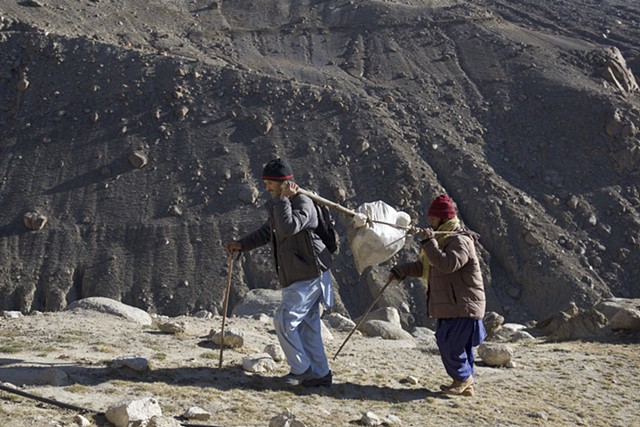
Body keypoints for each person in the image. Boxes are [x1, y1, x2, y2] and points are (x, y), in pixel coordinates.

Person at [225, 158, 334, 388]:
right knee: (307, 325)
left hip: (310, 274)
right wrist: (241, 244)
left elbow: (286, 229)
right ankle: (320, 374)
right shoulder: (282, 203)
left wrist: (283, 201)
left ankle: (301, 369)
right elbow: (269, 232)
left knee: (284, 320)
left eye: (270, 183)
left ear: (284, 184)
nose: (266, 188)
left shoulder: (303, 203)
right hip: (301, 273)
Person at [389, 194, 486, 396]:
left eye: (433, 218)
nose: (430, 222)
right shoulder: (442, 239)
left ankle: (462, 378)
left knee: (449, 343)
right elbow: (428, 266)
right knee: (458, 345)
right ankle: (466, 384)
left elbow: (447, 264)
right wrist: (401, 270)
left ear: (444, 219)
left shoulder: (460, 241)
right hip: (452, 304)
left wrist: (428, 241)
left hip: (462, 304)